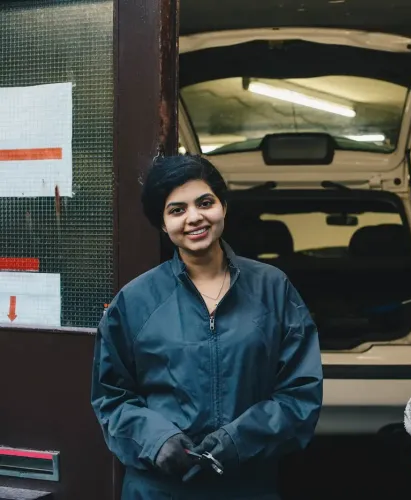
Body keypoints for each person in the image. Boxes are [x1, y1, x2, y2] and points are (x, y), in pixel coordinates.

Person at [91, 155, 323, 499]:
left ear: (223, 207)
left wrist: (239, 439)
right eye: (177, 210)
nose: (194, 217)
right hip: (159, 487)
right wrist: (156, 440)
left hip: (247, 483)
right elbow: (111, 395)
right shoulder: (135, 300)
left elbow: (300, 391)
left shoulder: (272, 288)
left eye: (205, 202)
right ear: (162, 223)